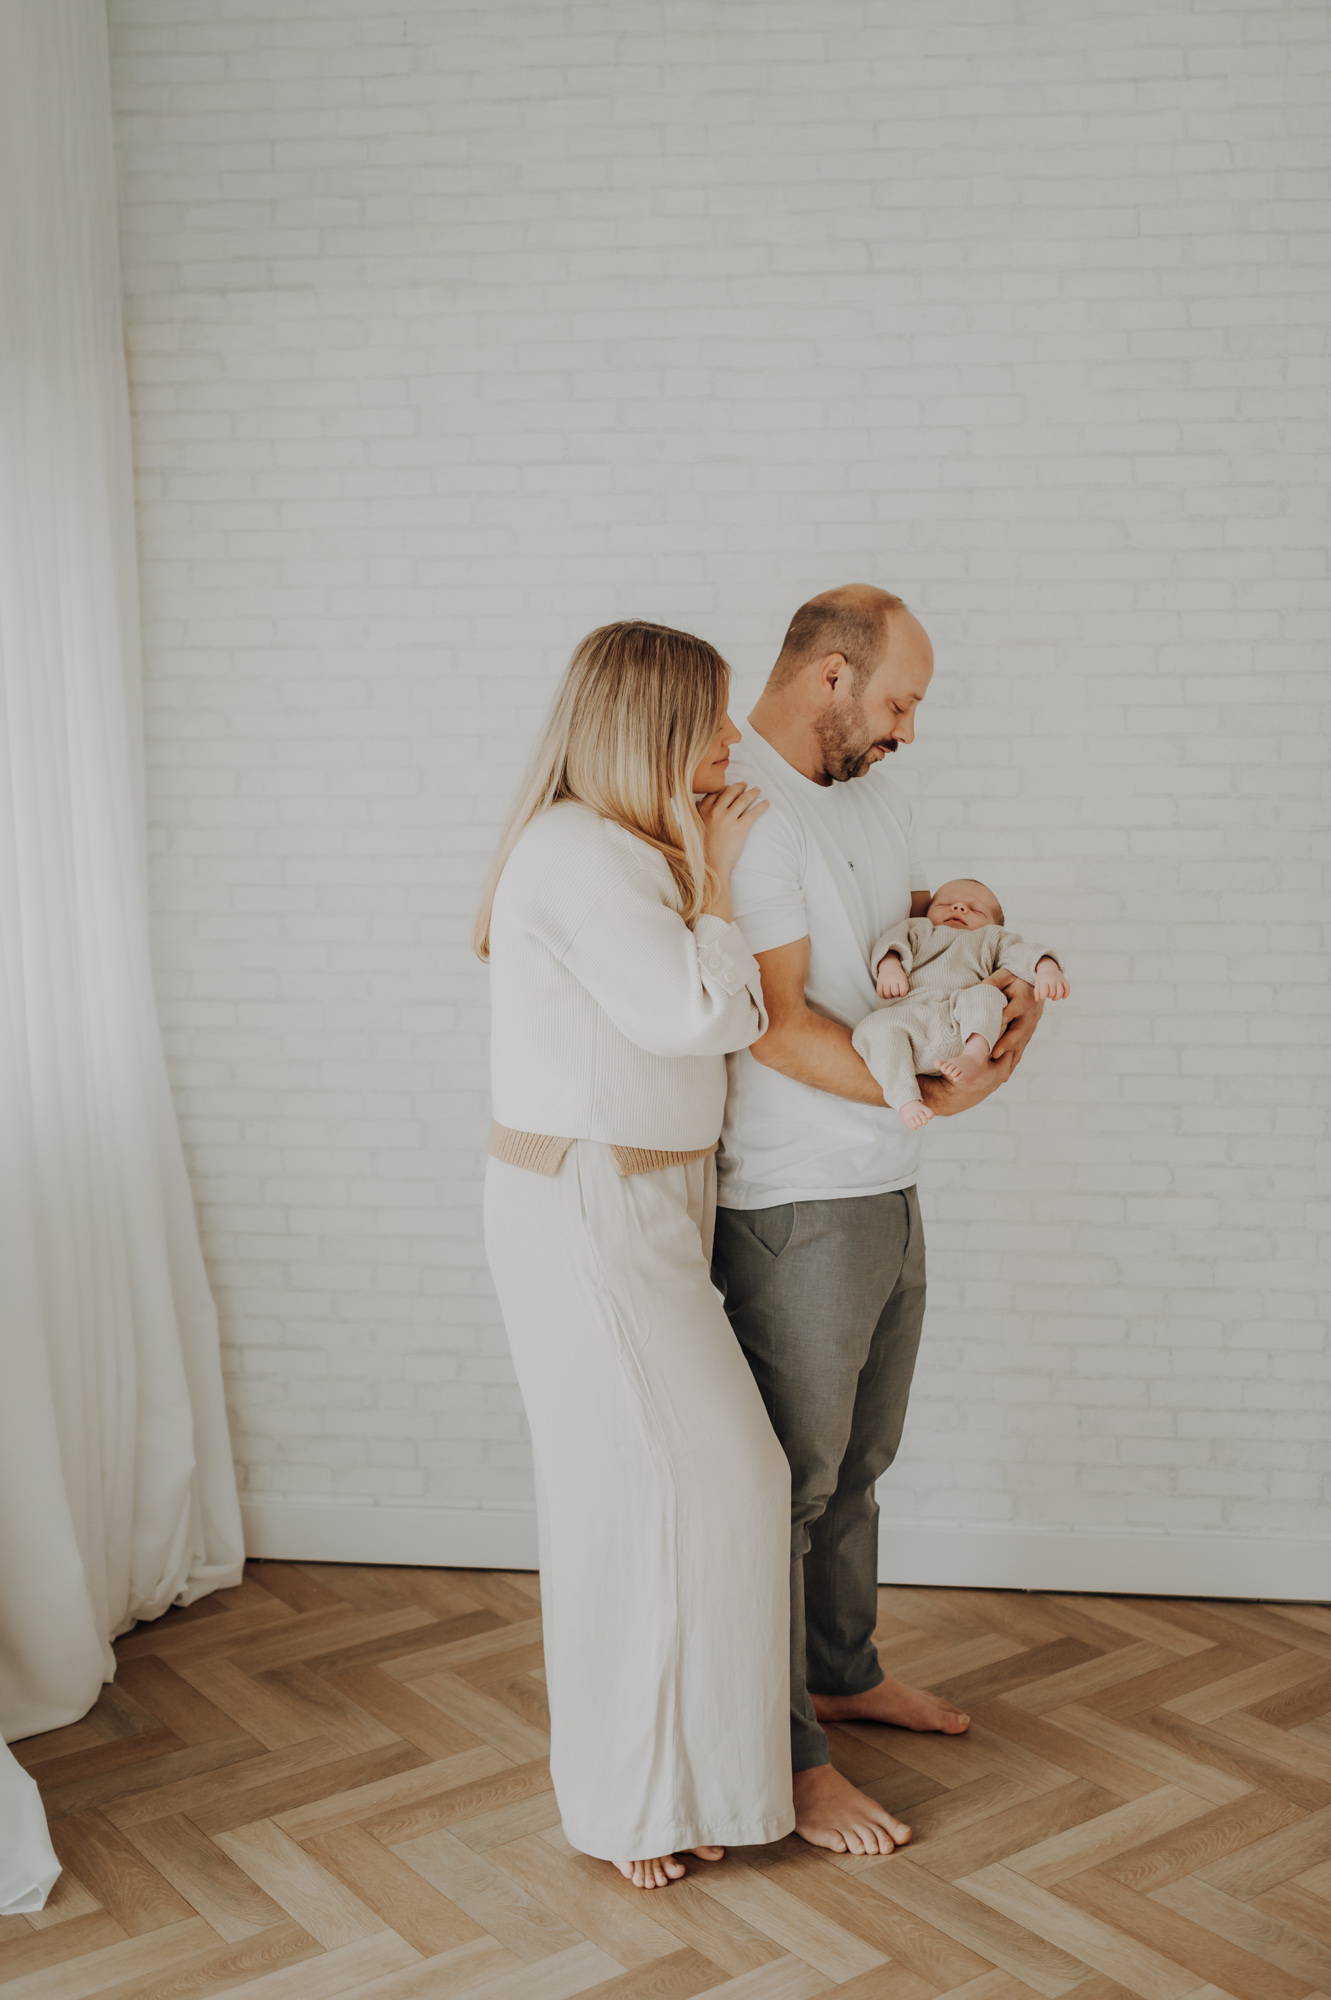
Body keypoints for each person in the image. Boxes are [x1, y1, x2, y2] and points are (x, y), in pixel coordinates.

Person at [712, 585, 1047, 1859]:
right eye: (897, 702)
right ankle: (790, 1759)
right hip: (794, 1194)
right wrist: (941, 1092)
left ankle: (842, 1673)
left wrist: (986, 957)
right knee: (792, 1489)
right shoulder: (746, 805)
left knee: (861, 1464)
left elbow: (901, 927)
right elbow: (777, 1023)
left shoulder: (866, 794)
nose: (906, 729)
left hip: (883, 1177)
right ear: (832, 675)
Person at [477, 620, 794, 1890]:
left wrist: (700, 874)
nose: (731, 737)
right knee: (682, 1491)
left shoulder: (617, 848)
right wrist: (716, 883)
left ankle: (683, 1781)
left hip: (642, 1198)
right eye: (711, 716)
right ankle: (629, 1799)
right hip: (589, 1205)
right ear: (647, 725)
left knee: (684, 1498)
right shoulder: (576, 853)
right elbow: (704, 1011)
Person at [854, 878, 1069, 1126]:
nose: (958, 907)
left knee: (987, 993)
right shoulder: (918, 928)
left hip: (960, 1024)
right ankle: (905, 1098)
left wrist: (1046, 967)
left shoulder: (991, 938)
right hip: (908, 1022)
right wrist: (890, 965)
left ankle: (974, 1055)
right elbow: (892, 943)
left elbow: (1023, 953)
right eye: (945, 903)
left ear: (995, 925)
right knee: (873, 1028)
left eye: (975, 909)